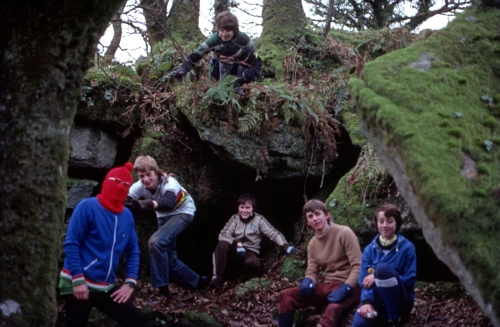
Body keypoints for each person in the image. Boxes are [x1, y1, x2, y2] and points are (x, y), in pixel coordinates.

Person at [59, 162, 147, 327]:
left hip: (105, 286)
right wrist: (77, 279)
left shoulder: (127, 216)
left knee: (139, 321)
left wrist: (130, 282)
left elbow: (133, 251)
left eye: (126, 185)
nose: (121, 188)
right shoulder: (87, 206)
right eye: (117, 182)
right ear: (107, 181)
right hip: (79, 283)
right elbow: (71, 243)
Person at [127, 155, 207, 298]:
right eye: (141, 176)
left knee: (156, 241)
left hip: (183, 212)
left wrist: (147, 204)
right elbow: (125, 199)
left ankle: (162, 289)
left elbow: (168, 203)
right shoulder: (139, 186)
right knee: (170, 260)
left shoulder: (170, 183)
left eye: (148, 175)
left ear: (156, 172)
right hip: (163, 216)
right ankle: (199, 282)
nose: (145, 179)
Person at [278, 199, 362, 327]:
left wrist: (347, 287)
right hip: (327, 286)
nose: (315, 219)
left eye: (318, 214)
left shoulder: (344, 233)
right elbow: (312, 270)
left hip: (350, 287)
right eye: (310, 216)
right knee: (286, 296)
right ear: (307, 222)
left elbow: (358, 266)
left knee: (333, 308)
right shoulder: (312, 243)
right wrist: (308, 281)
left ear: (326, 215)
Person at [209, 193, 299, 290]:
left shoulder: (259, 219)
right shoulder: (234, 219)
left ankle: (240, 281)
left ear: (253, 208)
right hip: (235, 249)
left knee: (250, 263)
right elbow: (222, 234)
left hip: (250, 252)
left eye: (247, 208)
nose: (244, 211)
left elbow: (273, 233)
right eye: (242, 207)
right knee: (222, 244)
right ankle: (216, 279)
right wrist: (236, 242)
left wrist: (285, 246)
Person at [351, 204, 417, 327]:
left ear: (397, 223)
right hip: (375, 299)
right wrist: (366, 302)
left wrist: (378, 277)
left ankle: (394, 319)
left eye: (389, 221)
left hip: (399, 302)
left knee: (382, 270)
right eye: (381, 221)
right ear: (376, 224)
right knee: (358, 324)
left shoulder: (407, 248)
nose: (385, 225)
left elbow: (410, 280)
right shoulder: (369, 250)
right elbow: (363, 280)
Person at [172, 11, 262, 89]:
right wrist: (184, 69)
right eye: (221, 30)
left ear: (234, 30)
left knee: (248, 52)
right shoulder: (214, 39)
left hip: (238, 70)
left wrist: (252, 71)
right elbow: (197, 54)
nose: (224, 34)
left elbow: (256, 58)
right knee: (226, 48)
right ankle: (222, 86)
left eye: (228, 30)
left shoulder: (243, 38)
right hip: (218, 70)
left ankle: (239, 84)